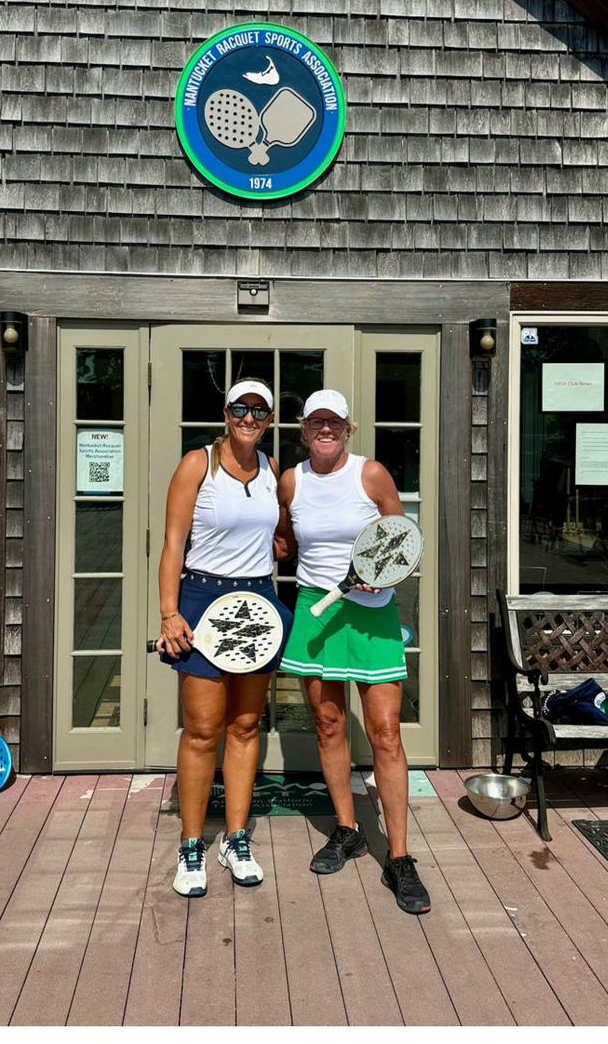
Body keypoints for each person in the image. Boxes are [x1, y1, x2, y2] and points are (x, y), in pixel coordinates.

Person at [274, 389, 431, 915]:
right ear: (303, 429)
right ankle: (348, 829)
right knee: (327, 724)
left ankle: (402, 856)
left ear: (349, 428)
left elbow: (405, 540)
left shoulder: (372, 475)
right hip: (319, 609)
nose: (326, 429)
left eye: (335, 423)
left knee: (385, 732)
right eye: (316, 422)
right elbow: (284, 543)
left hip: (372, 613)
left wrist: (378, 579)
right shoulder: (291, 482)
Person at [155, 379, 292, 897]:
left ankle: (236, 836)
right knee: (202, 730)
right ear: (226, 412)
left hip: (258, 600)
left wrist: (283, 544)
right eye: (241, 408)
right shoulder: (197, 464)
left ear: (271, 420)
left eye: (260, 411)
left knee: (245, 724)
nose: (249, 418)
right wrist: (170, 613)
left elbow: (277, 536)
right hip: (203, 599)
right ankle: (192, 842)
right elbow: (172, 545)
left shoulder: (273, 470)